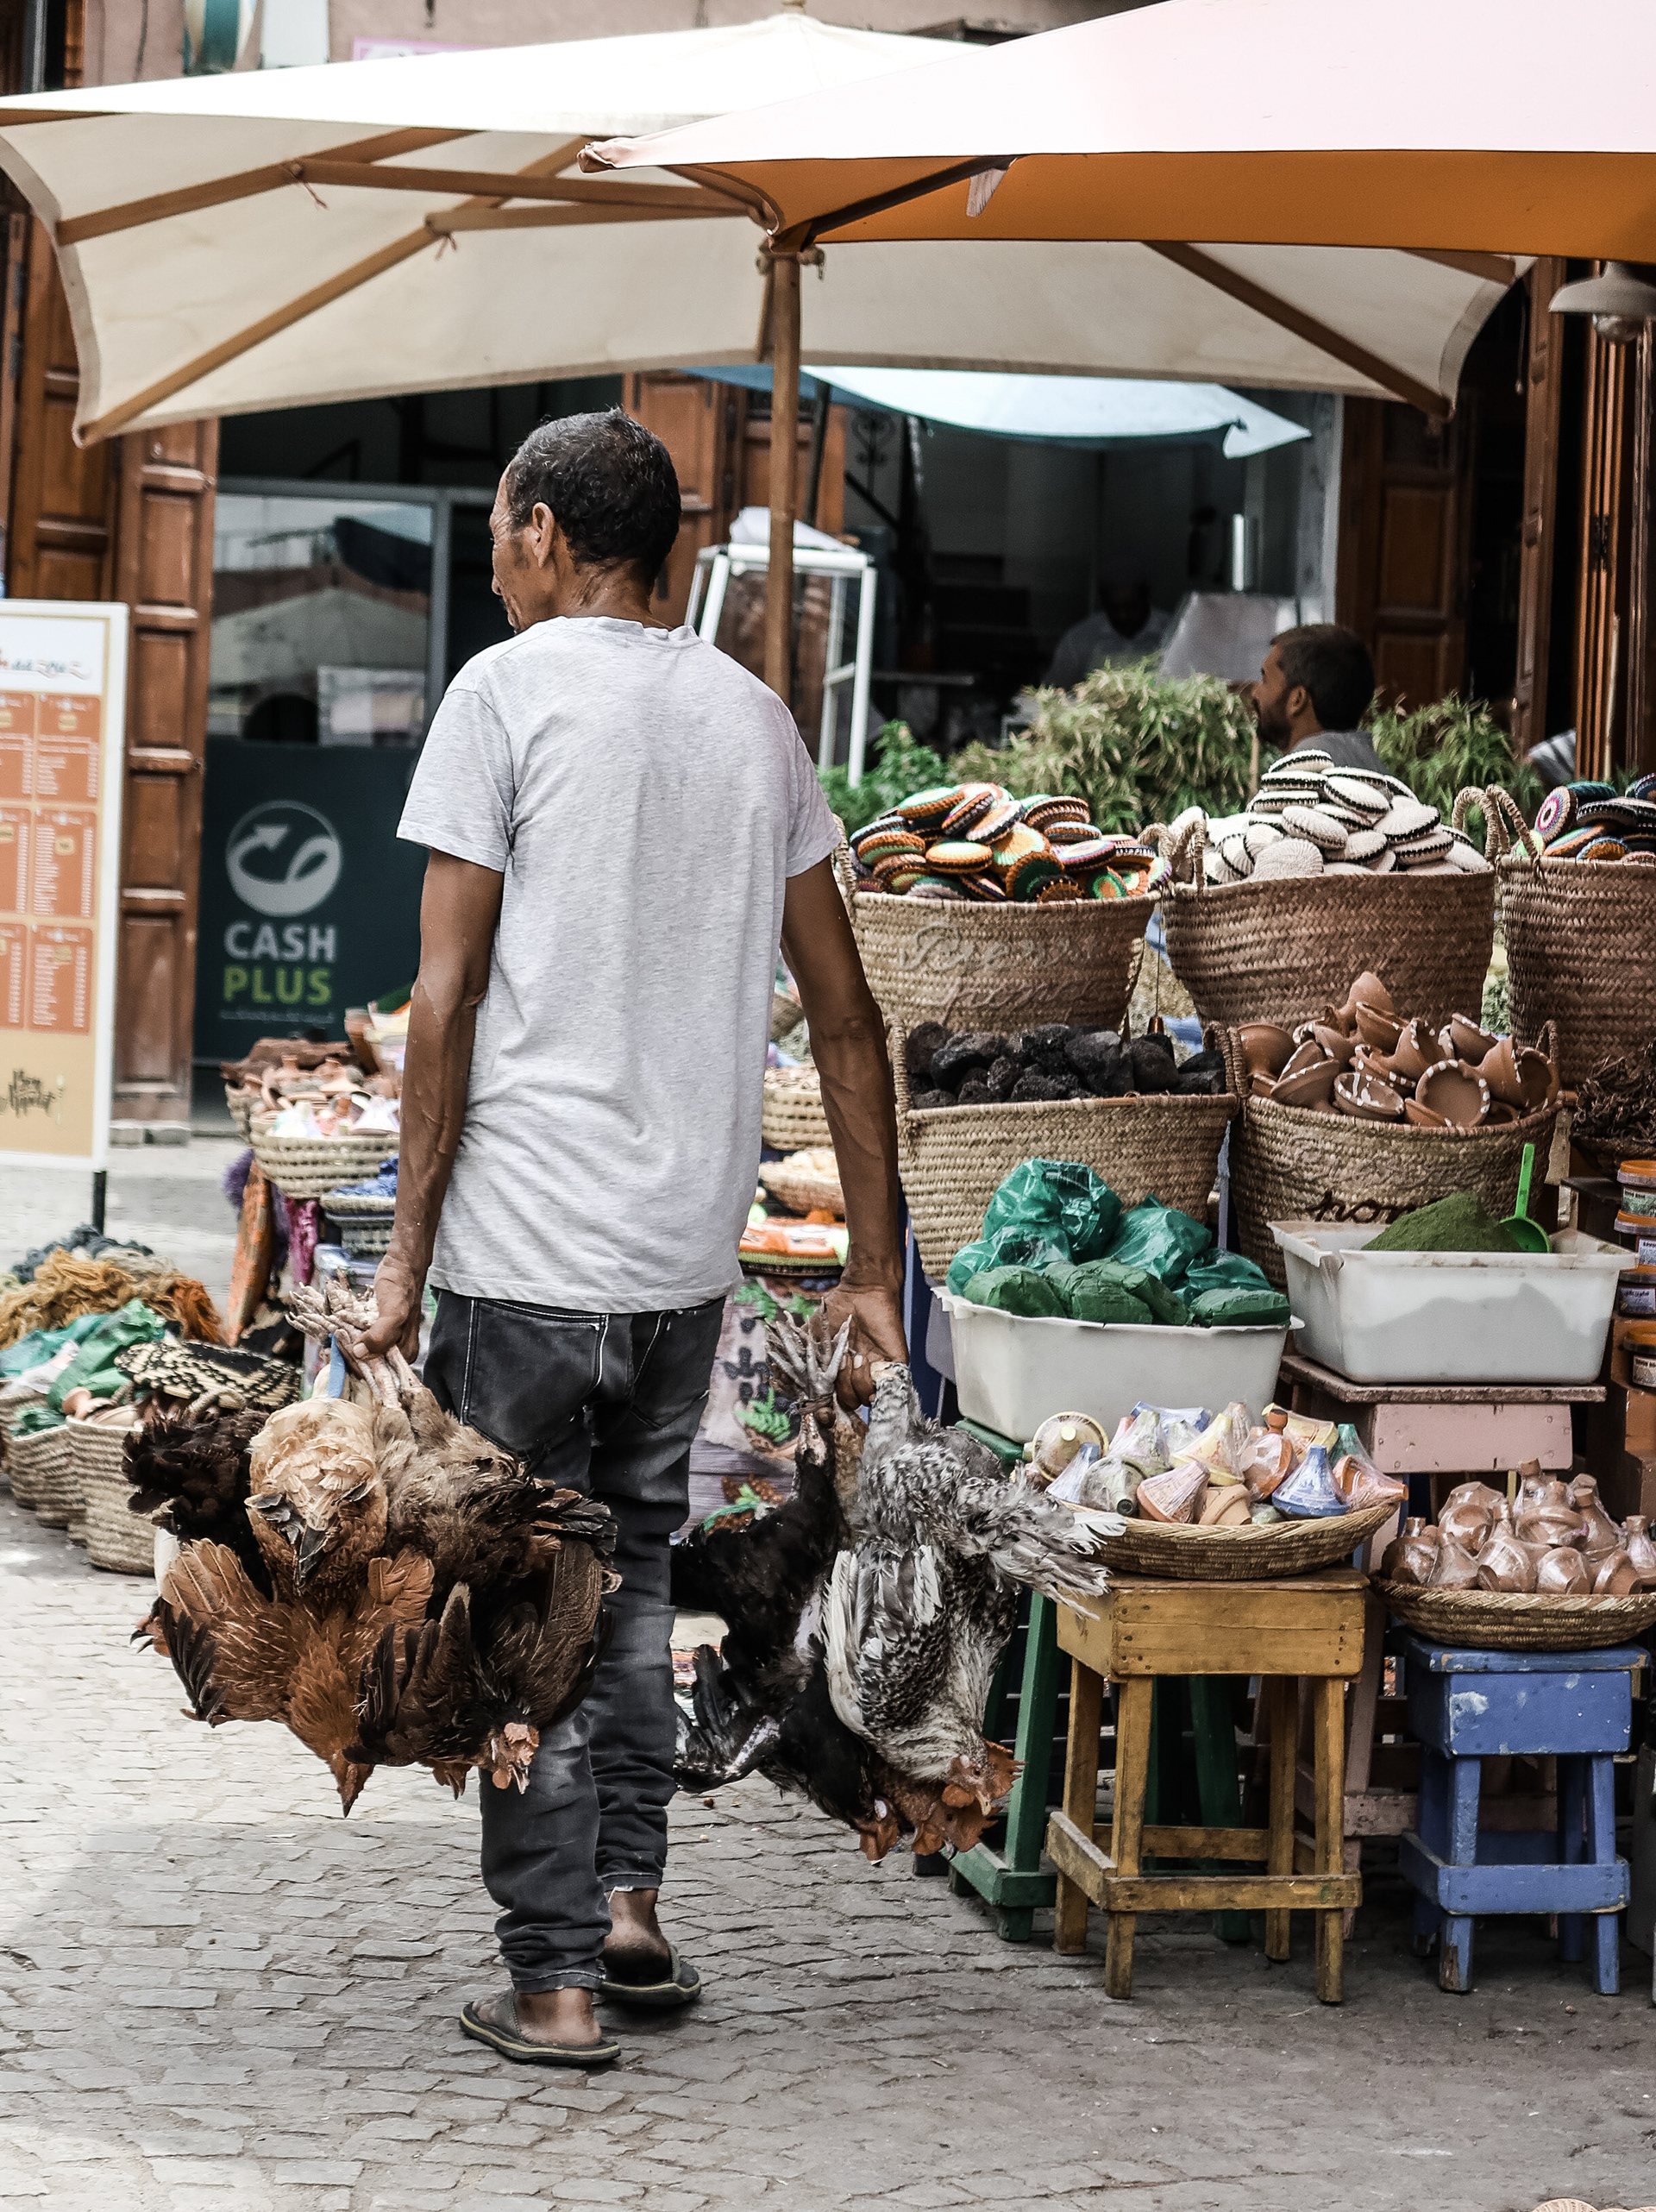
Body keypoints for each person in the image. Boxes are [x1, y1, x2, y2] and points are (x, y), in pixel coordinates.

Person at [355, 410, 907, 2069]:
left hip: (524, 1253)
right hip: (682, 1257)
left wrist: (401, 1253)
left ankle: (551, 1980)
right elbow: (850, 1020)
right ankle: (628, 1908)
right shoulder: (756, 720)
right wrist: (876, 1268)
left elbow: (442, 999)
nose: (502, 557)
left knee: (523, 1601)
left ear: (535, 531)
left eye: (507, 531)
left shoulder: (500, 695)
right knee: (635, 1581)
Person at [1251, 623, 1385, 772]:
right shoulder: (1381, 776)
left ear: (1297, 700)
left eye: (1265, 680)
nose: (1255, 693)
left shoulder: (1295, 783)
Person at [1043, 571, 1170, 688]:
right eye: (1115, 608)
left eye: (1132, 608)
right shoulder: (1081, 637)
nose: (1123, 616)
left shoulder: (1172, 631)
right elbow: (1055, 687)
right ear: (1104, 605)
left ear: (1146, 601)